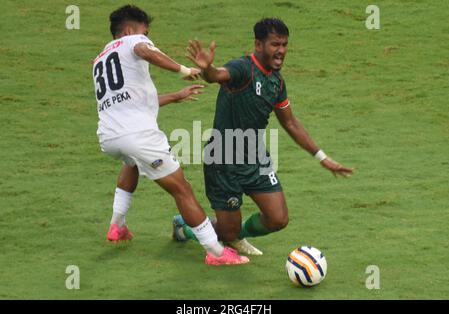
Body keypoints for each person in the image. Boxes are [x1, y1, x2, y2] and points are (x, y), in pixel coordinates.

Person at [173, 18, 354, 255]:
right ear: (259, 44)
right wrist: (207, 69)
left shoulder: (276, 82)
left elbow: (290, 122)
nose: (281, 51)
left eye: (284, 45)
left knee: (278, 218)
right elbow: (217, 75)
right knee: (226, 233)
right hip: (223, 159)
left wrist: (322, 157)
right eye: (275, 45)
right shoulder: (242, 68)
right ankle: (184, 228)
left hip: (255, 156)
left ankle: (237, 234)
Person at [92, 4, 249, 265]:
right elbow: (145, 50)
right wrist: (183, 70)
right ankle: (216, 252)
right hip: (138, 135)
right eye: (146, 32)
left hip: (109, 137)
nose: (148, 38)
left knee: (131, 161)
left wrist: (176, 96)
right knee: (182, 189)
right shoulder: (135, 41)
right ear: (130, 30)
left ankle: (116, 225)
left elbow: (130, 102)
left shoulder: (100, 59)